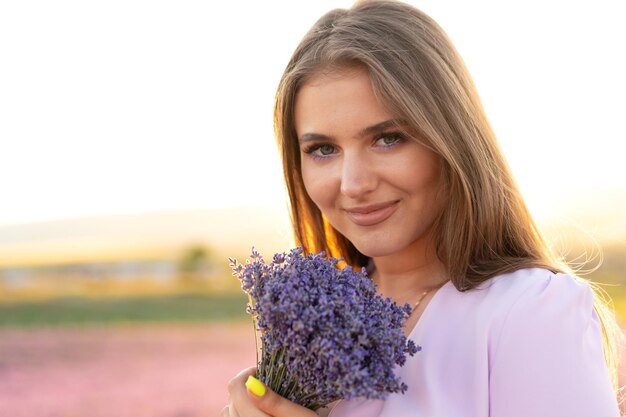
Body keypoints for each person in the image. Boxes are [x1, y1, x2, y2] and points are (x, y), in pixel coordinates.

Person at [222, 1, 624, 416]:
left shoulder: (529, 312)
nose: (354, 183)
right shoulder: (313, 327)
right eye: (323, 149)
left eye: (388, 138)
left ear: (451, 138)